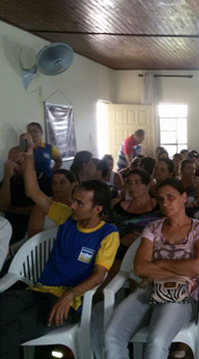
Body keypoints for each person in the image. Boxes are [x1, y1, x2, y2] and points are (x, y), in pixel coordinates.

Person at [0, 134, 119, 359]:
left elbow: (98, 276)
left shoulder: (108, 233)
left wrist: (69, 295)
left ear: (97, 209)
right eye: (73, 200)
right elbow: (33, 192)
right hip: (38, 291)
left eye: (79, 203)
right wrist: (29, 158)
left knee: (9, 333)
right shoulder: (66, 216)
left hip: (68, 303)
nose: (72, 205)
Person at [104, 178, 199, 359]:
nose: (165, 203)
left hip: (181, 295)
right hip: (148, 290)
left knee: (158, 340)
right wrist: (180, 271)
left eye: (171, 197)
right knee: (112, 336)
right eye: (161, 199)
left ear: (184, 197)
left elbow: (198, 266)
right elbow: (139, 267)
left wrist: (160, 263)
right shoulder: (153, 228)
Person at [107, 169, 161, 282]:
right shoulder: (120, 208)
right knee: (110, 273)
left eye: (137, 182)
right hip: (122, 249)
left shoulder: (159, 207)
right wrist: (121, 239)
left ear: (147, 185)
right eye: (129, 183)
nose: (132, 186)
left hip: (152, 250)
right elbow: (109, 229)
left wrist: (142, 239)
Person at [0, 146, 50, 244]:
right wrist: (6, 179)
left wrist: (12, 209)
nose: (16, 168)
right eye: (11, 164)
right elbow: (2, 206)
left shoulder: (44, 180)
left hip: (33, 229)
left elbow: (42, 207)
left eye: (19, 163)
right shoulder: (11, 180)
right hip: (10, 228)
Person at [27, 169, 77, 238]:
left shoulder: (77, 206)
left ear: (73, 185)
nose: (57, 186)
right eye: (54, 183)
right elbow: (33, 232)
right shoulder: (43, 204)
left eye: (62, 182)